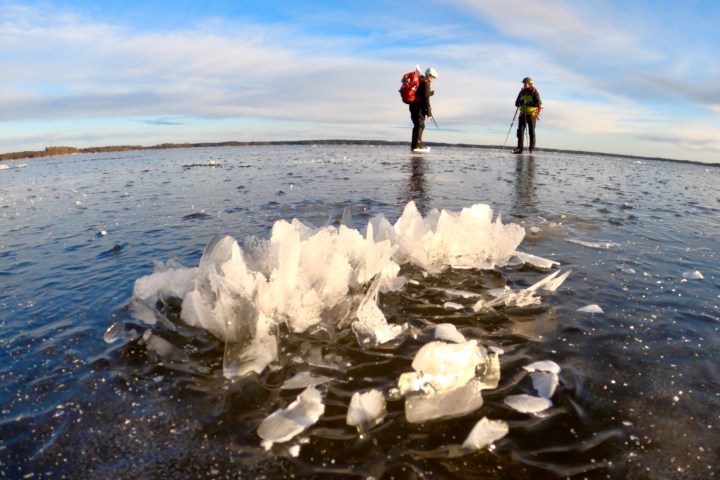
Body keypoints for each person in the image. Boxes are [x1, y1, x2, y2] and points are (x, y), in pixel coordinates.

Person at [410, 67, 437, 151]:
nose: (434, 80)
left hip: (413, 106)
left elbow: (422, 94)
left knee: (417, 125)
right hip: (418, 107)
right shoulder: (426, 83)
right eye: (433, 77)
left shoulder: (421, 81)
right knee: (420, 125)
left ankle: (415, 144)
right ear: (429, 75)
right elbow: (426, 99)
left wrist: (430, 93)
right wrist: (429, 112)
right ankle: (417, 144)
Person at [513, 77, 542, 154]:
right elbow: (516, 103)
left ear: (530, 84)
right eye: (524, 83)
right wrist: (521, 101)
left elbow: (538, 103)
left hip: (532, 115)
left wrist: (527, 103)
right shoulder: (522, 92)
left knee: (531, 132)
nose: (524, 85)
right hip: (522, 114)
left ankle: (531, 148)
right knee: (520, 131)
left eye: (526, 83)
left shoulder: (534, 91)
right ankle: (520, 148)